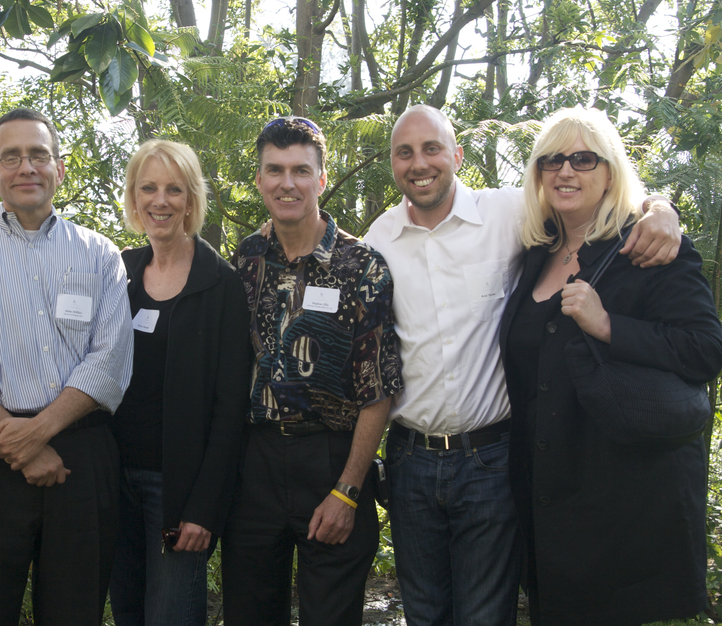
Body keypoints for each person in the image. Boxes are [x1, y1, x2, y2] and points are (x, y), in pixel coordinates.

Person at [363, 104, 681, 625]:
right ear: (394, 164)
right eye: (405, 152)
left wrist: (659, 207)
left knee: (487, 615)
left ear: (457, 155)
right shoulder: (378, 240)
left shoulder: (508, 213)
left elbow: (593, 193)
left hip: (491, 457)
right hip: (409, 463)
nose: (419, 163)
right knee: (423, 613)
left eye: (432, 148)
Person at [498, 107, 722, 625]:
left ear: (610, 171)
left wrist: (608, 326)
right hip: (548, 498)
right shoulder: (536, 250)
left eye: (582, 158)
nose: (565, 172)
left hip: (622, 503)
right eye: (551, 160)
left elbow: (705, 350)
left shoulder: (648, 247)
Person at [0, 108, 133, 626]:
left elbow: (111, 360)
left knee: (76, 611)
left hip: (81, 456)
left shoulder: (100, 254)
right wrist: (22, 445)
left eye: (38, 154)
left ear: (61, 167)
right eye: (10, 157)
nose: (25, 167)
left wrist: (39, 432)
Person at [221, 116, 403, 626]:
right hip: (254, 465)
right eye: (274, 170)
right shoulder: (247, 259)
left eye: (301, 170)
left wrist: (347, 489)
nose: (287, 183)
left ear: (321, 179)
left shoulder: (362, 266)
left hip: (332, 460)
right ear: (258, 179)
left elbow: (379, 389)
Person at [109, 140, 250, 626]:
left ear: (191, 200)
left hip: (178, 491)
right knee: (127, 612)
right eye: (148, 188)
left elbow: (232, 408)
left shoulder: (221, 284)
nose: (160, 201)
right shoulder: (118, 272)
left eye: (174, 189)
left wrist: (204, 508)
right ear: (133, 196)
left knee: (170, 616)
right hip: (112, 482)